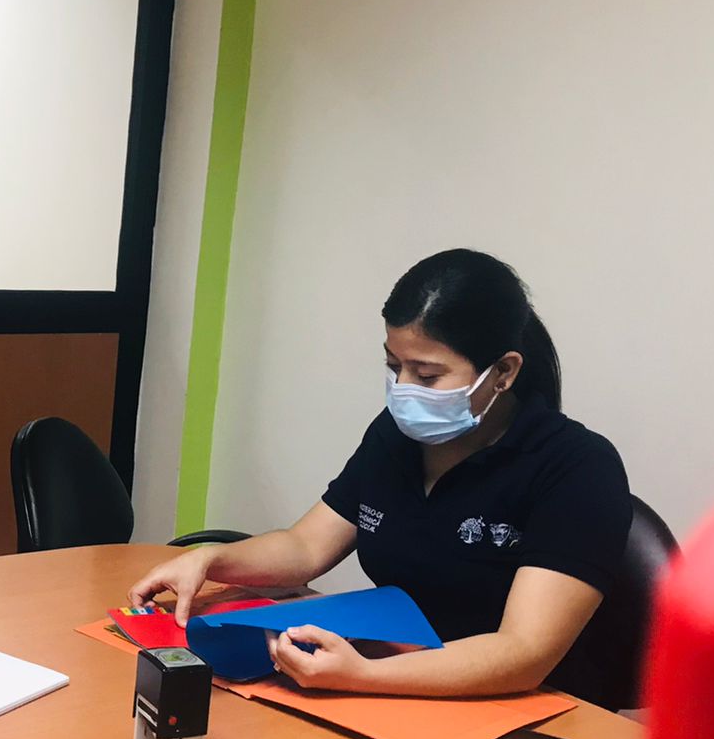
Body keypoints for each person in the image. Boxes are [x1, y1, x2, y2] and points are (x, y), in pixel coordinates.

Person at [130, 249, 632, 705]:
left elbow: (524, 652)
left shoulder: (577, 467)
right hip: (394, 684)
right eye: (394, 367)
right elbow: (305, 548)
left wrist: (362, 676)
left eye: (427, 375)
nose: (404, 389)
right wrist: (213, 560)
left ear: (503, 371)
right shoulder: (396, 437)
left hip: (522, 710)